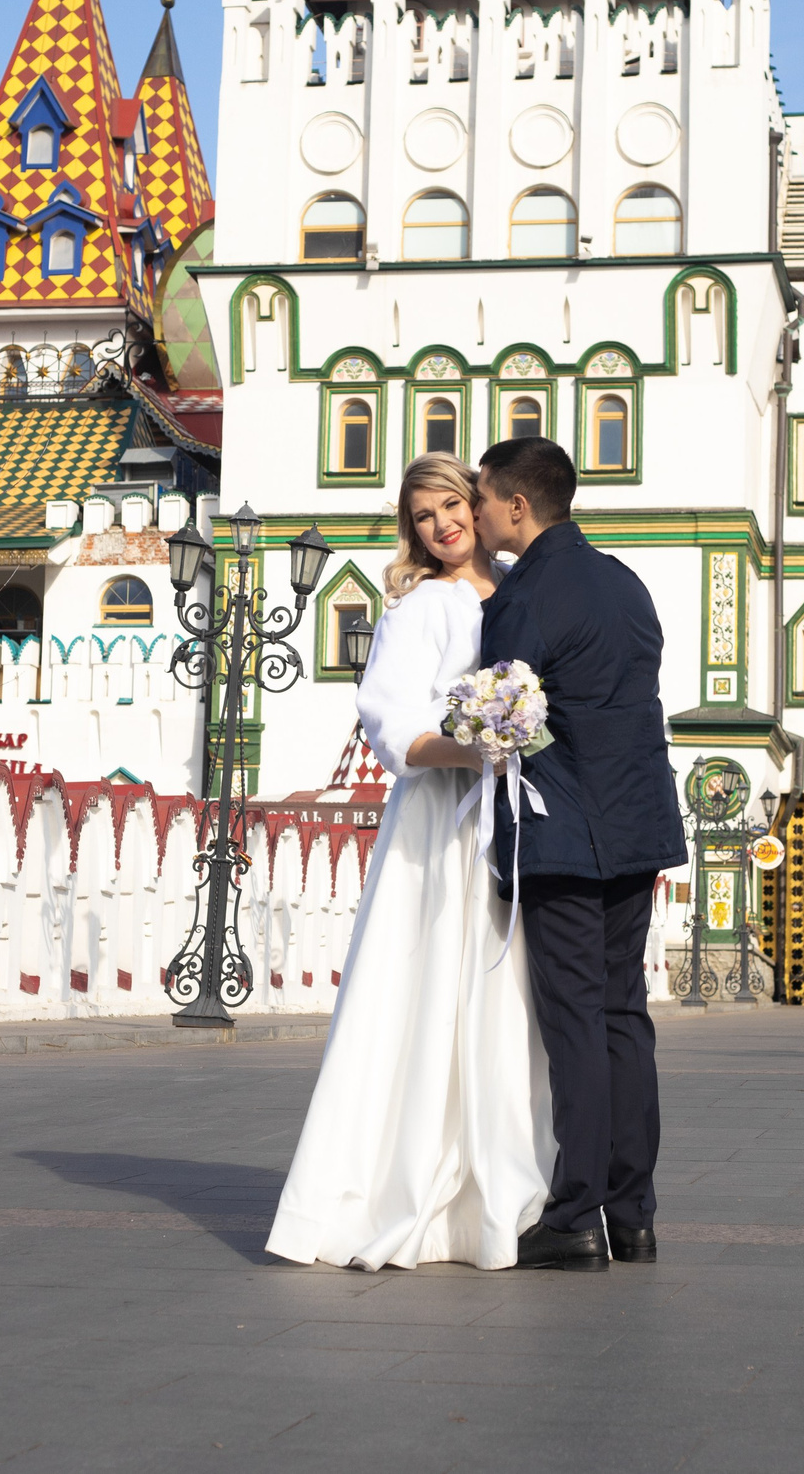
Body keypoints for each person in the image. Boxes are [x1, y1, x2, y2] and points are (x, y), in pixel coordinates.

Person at [266, 455, 552, 1271]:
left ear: (481, 502)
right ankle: (412, 1183)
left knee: (502, 1003)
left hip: (509, 814)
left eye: (452, 504)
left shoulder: (521, 587)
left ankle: (499, 1187)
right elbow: (389, 723)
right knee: (430, 990)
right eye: (423, 515)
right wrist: (475, 750)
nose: (441, 525)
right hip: (441, 821)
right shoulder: (420, 605)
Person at [474, 436, 688, 1272]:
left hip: (565, 829)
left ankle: (574, 1214)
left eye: (484, 498)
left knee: (575, 1021)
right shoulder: (626, 583)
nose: (479, 510)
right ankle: (633, 1213)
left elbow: (503, 707)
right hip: (637, 822)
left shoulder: (527, 590)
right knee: (623, 1015)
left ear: (518, 506)